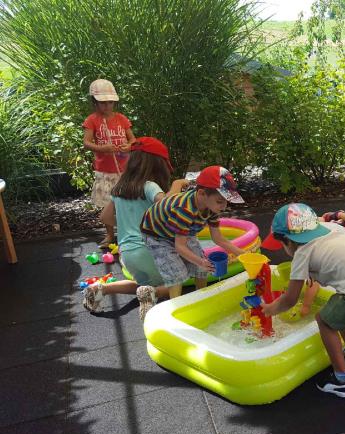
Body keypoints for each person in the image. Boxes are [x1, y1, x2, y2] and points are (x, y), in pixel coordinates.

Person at [261, 203, 345, 398]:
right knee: (338, 310)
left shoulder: (301, 253)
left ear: (289, 241)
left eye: (283, 246)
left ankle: (341, 380)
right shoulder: (333, 229)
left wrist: (271, 309)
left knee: (325, 321)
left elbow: (290, 300)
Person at [83, 137, 187, 319]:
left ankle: (102, 289)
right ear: (157, 165)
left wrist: (125, 224)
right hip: (150, 250)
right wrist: (176, 185)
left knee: (141, 283)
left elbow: (105, 217)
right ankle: (154, 294)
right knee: (178, 281)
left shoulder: (120, 188)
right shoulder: (149, 186)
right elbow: (167, 207)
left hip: (127, 253)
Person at [140, 165, 246, 299]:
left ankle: (202, 297)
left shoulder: (211, 206)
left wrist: (242, 255)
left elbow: (218, 238)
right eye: (220, 201)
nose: (224, 207)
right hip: (157, 235)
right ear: (202, 193)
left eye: (226, 202)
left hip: (179, 229)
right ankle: (175, 307)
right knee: (177, 274)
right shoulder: (185, 210)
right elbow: (180, 247)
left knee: (202, 267)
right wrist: (201, 262)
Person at [260, 221, 345, 318]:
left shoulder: (307, 252)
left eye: (283, 244)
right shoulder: (310, 229)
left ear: (289, 241)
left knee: (324, 319)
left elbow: (297, 294)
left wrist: (306, 306)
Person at [83, 79, 136, 248]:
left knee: (127, 202)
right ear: (94, 102)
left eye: (110, 102)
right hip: (105, 170)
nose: (107, 106)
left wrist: (129, 146)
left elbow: (132, 139)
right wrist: (102, 147)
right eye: (102, 103)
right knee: (108, 203)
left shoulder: (121, 118)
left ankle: (127, 233)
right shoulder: (92, 120)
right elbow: (87, 142)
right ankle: (110, 234)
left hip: (124, 169)